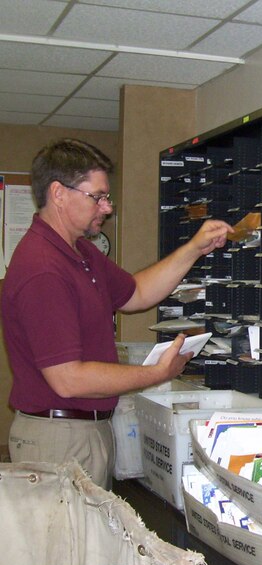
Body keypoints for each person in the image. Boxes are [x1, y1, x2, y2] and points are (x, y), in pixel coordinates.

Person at [1, 138, 233, 489]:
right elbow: (68, 379)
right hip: (59, 438)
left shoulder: (80, 252)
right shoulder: (43, 268)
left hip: (86, 431)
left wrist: (194, 249)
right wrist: (155, 373)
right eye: (97, 197)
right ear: (58, 193)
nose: (107, 208)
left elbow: (136, 293)